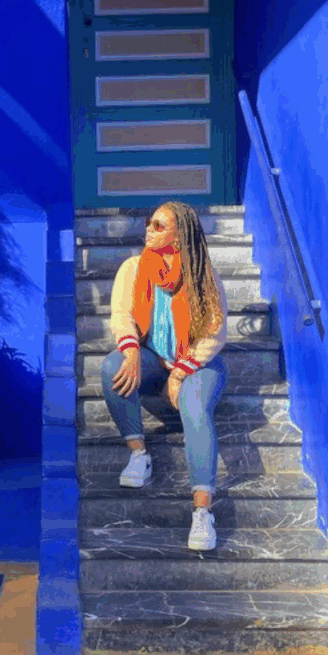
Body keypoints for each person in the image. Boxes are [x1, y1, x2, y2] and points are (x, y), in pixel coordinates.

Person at [100, 201, 229, 551]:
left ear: (180, 234)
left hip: (200, 363)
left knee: (195, 407)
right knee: (113, 366)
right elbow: (122, 315)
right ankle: (139, 454)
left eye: (158, 225)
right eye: (149, 223)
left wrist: (181, 373)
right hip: (155, 359)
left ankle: (203, 511)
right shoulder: (133, 268)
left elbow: (215, 332)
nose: (148, 229)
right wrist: (129, 351)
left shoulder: (202, 272)